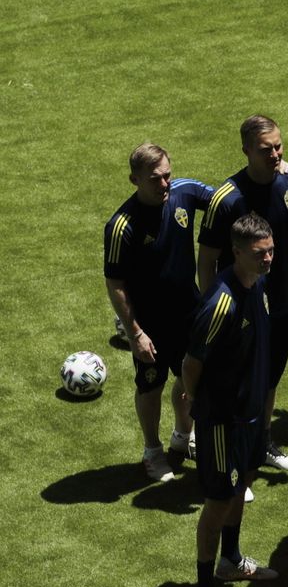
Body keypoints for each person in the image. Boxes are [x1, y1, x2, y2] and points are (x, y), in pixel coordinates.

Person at [198, 115, 288, 476]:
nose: (275, 154)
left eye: (279, 146)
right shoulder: (227, 199)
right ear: (246, 150)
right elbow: (206, 259)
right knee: (239, 385)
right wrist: (213, 309)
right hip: (239, 309)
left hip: (282, 303)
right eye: (266, 149)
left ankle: (261, 445)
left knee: (268, 378)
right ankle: (236, 462)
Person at [182, 213, 281, 587]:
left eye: (272, 251)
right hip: (223, 419)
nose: (269, 259)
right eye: (260, 254)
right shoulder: (220, 302)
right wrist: (198, 402)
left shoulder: (257, 285)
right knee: (219, 498)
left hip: (250, 415)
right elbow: (192, 363)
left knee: (241, 485)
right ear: (236, 252)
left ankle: (231, 560)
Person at [104, 143, 210, 482]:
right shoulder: (122, 226)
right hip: (150, 323)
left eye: (167, 175)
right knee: (151, 385)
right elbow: (115, 282)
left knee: (191, 376)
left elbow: (227, 200)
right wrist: (135, 332)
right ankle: (152, 450)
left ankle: (183, 436)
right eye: (155, 179)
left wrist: (278, 171)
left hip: (189, 314)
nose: (165, 184)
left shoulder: (185, 192)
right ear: (134, 180)